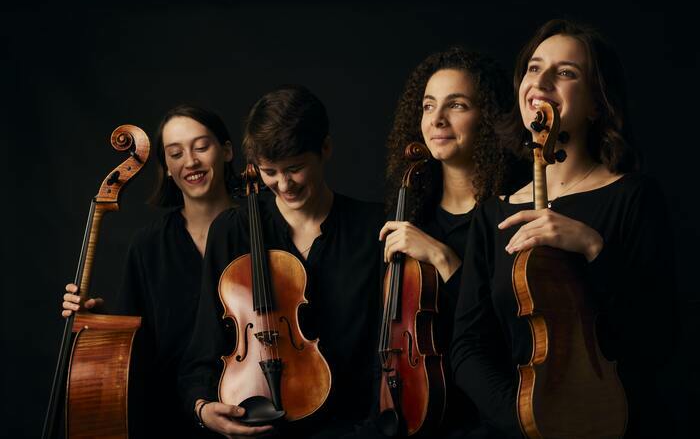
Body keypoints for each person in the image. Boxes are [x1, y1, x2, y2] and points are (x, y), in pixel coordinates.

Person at [451, 19, 675, 438]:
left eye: (566, 72)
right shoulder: (492, 213)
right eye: (534, 68)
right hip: (518, 425)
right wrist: (526, 418)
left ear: (596, 103)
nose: (542, 81)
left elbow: (658, 337)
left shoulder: (632, 197)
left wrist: (593, 247)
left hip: (610, 422)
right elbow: (468, 348)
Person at [178, 85, 385, 438]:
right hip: (259, 425)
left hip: (355, 428)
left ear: (325, 149)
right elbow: (203, 347)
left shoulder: (373, 228)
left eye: (295, 168)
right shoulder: (232, 230)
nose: (284, 184)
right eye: (269, 172)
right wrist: (201, 408)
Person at [61, 104, 237, 438]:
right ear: (167, 169)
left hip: (250, 405)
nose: (191, 161)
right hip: (170, 418)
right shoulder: (148, 245)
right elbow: (138, 346)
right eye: (176, 153)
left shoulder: (260, 232)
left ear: (226, 151)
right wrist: (98, 320)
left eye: (201, 147)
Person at [375, 47, 514, 438]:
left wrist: (441, 257)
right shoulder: (413, 214)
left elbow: (508, 332)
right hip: (420, 405)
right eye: (428, 105)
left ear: (487, 117)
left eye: (457, 105)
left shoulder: (511, 215)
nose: (436, 119)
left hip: (491, 414)